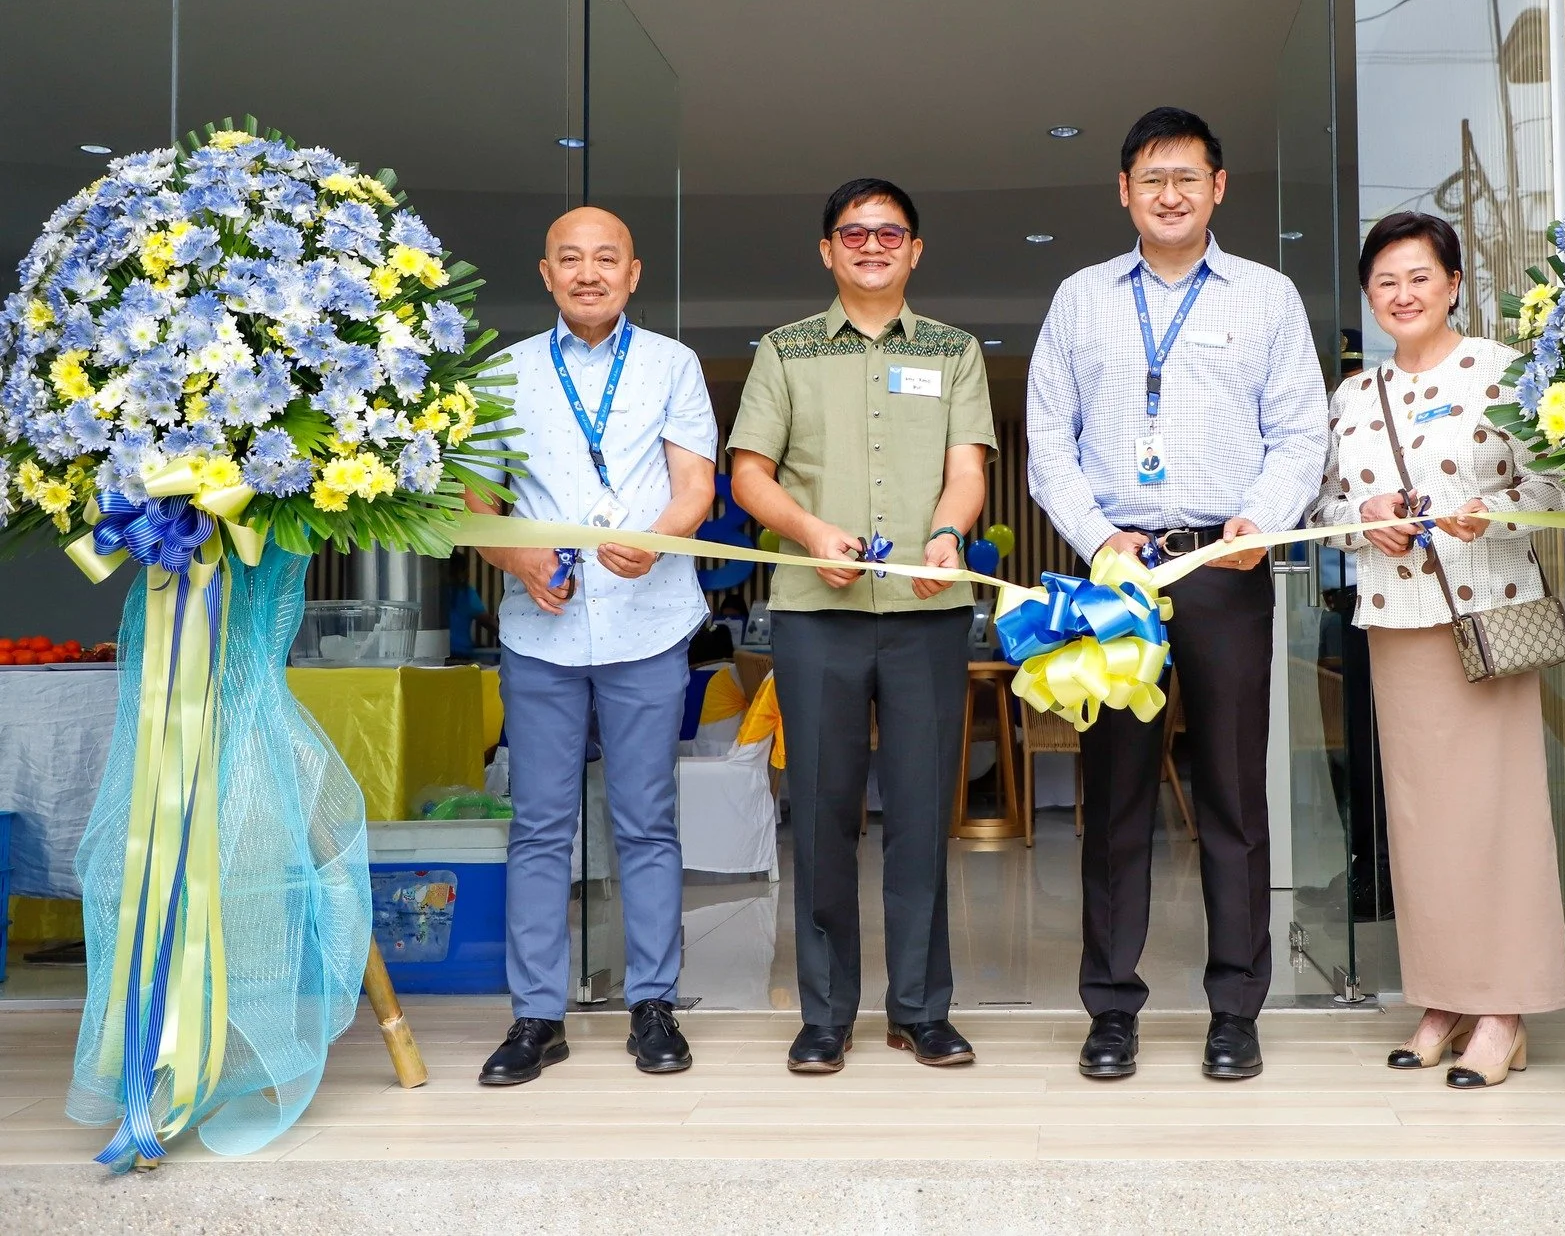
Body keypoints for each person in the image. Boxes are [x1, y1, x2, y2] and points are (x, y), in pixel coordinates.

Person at [1026, 107, 1326, 1081]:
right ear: (1122, 190)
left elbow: (1298, 435)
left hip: (1224, 566)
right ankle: (1110, 1008)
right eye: (1150, 177)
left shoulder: (1266, 298)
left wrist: (1260, 522)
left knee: (1233, 796)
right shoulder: (1078, 300)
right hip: (1113, 575)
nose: (1168, 193)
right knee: (1112, 797)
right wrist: (1100, 540)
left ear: (1217, 187)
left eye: (1186, 177)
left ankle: (1233, 1008)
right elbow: (1046, 445)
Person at [729, 177, 996, 1074]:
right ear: (827, 249)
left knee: (922, 815)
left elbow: (967, 468)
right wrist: (808, 533)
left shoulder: (956, 351)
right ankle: (826, 1014)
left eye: (891, 232)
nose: (872, 244)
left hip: (926, 611)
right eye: (854, 231)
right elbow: (750, 476)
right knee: (825, 813)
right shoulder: (784, 350)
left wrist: (949, 533)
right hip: (817, 612)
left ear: (916, 250)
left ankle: (921, 1009)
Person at [1308, 210, 1565, 1088]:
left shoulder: (1504, 373)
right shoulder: (1351, 397)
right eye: (1385, 281)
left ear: (1455, 282)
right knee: (1420, 824)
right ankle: (1442, 999)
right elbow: (1322, 513)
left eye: (1419, 276)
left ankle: (1503, 1009)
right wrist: (1363, 522)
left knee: (1496, 817)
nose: (1403, 293)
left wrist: (1491, 511)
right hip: (1396, 622)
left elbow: (1560, 478)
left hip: (1488, 615)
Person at [465, 206, 718, 1086]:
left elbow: (695, 485)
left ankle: (653, 1003)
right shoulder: (502, 372)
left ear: (633, 272)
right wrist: (515, 555)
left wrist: (659, 536)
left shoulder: (673, 365)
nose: (587, 272)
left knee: (645, 820)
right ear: (545, 274)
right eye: (569, 259)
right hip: (542, 628)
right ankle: (537, 1015)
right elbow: (473, 508)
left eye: (605, 258)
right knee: (539, 825)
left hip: (648, 622)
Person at [444, 554, 498, 664]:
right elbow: (489, 623)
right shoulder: (466, 594)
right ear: (462, 571)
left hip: (434, 653)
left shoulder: (431, 593)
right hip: (461, 654)